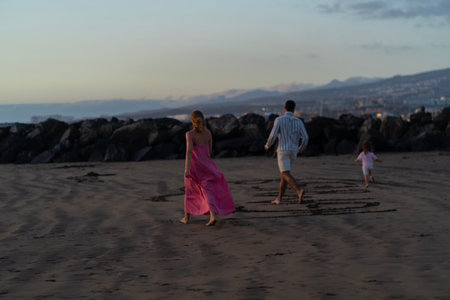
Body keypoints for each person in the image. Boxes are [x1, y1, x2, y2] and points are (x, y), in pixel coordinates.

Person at [180, 110, 235, 226]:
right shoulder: (208, 133)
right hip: (207, 165)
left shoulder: (189, 134)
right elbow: (209, 151)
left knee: (190, 191)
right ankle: (212, 216)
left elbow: (189, 152)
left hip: (195, 166)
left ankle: (186, 218)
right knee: (208, 190)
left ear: (192, 121)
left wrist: (187, 169)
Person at [264, 100, 309, 205]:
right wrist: (301, 148)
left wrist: (267, 145)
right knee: (284, 175)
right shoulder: (299, 121)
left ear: (285, 108)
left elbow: (273, 135)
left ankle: (299, 191)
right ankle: (279, 199)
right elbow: (306, 137)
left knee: (285, 174)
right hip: (294, 151)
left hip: (283, 150)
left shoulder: (279, 120)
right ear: (294, 109)